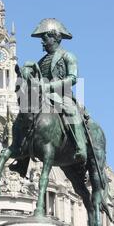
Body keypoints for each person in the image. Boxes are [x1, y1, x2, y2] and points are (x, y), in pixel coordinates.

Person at [31, 18, 86, 161]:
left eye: (45, 38)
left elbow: (72, 78)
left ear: (55, 38)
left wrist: (49, 86)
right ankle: (22, 159)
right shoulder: (41, 61)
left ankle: (81, 148)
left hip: (62, 96)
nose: (42, 42)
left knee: (71, 111)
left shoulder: (68, 56)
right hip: (44, 97)